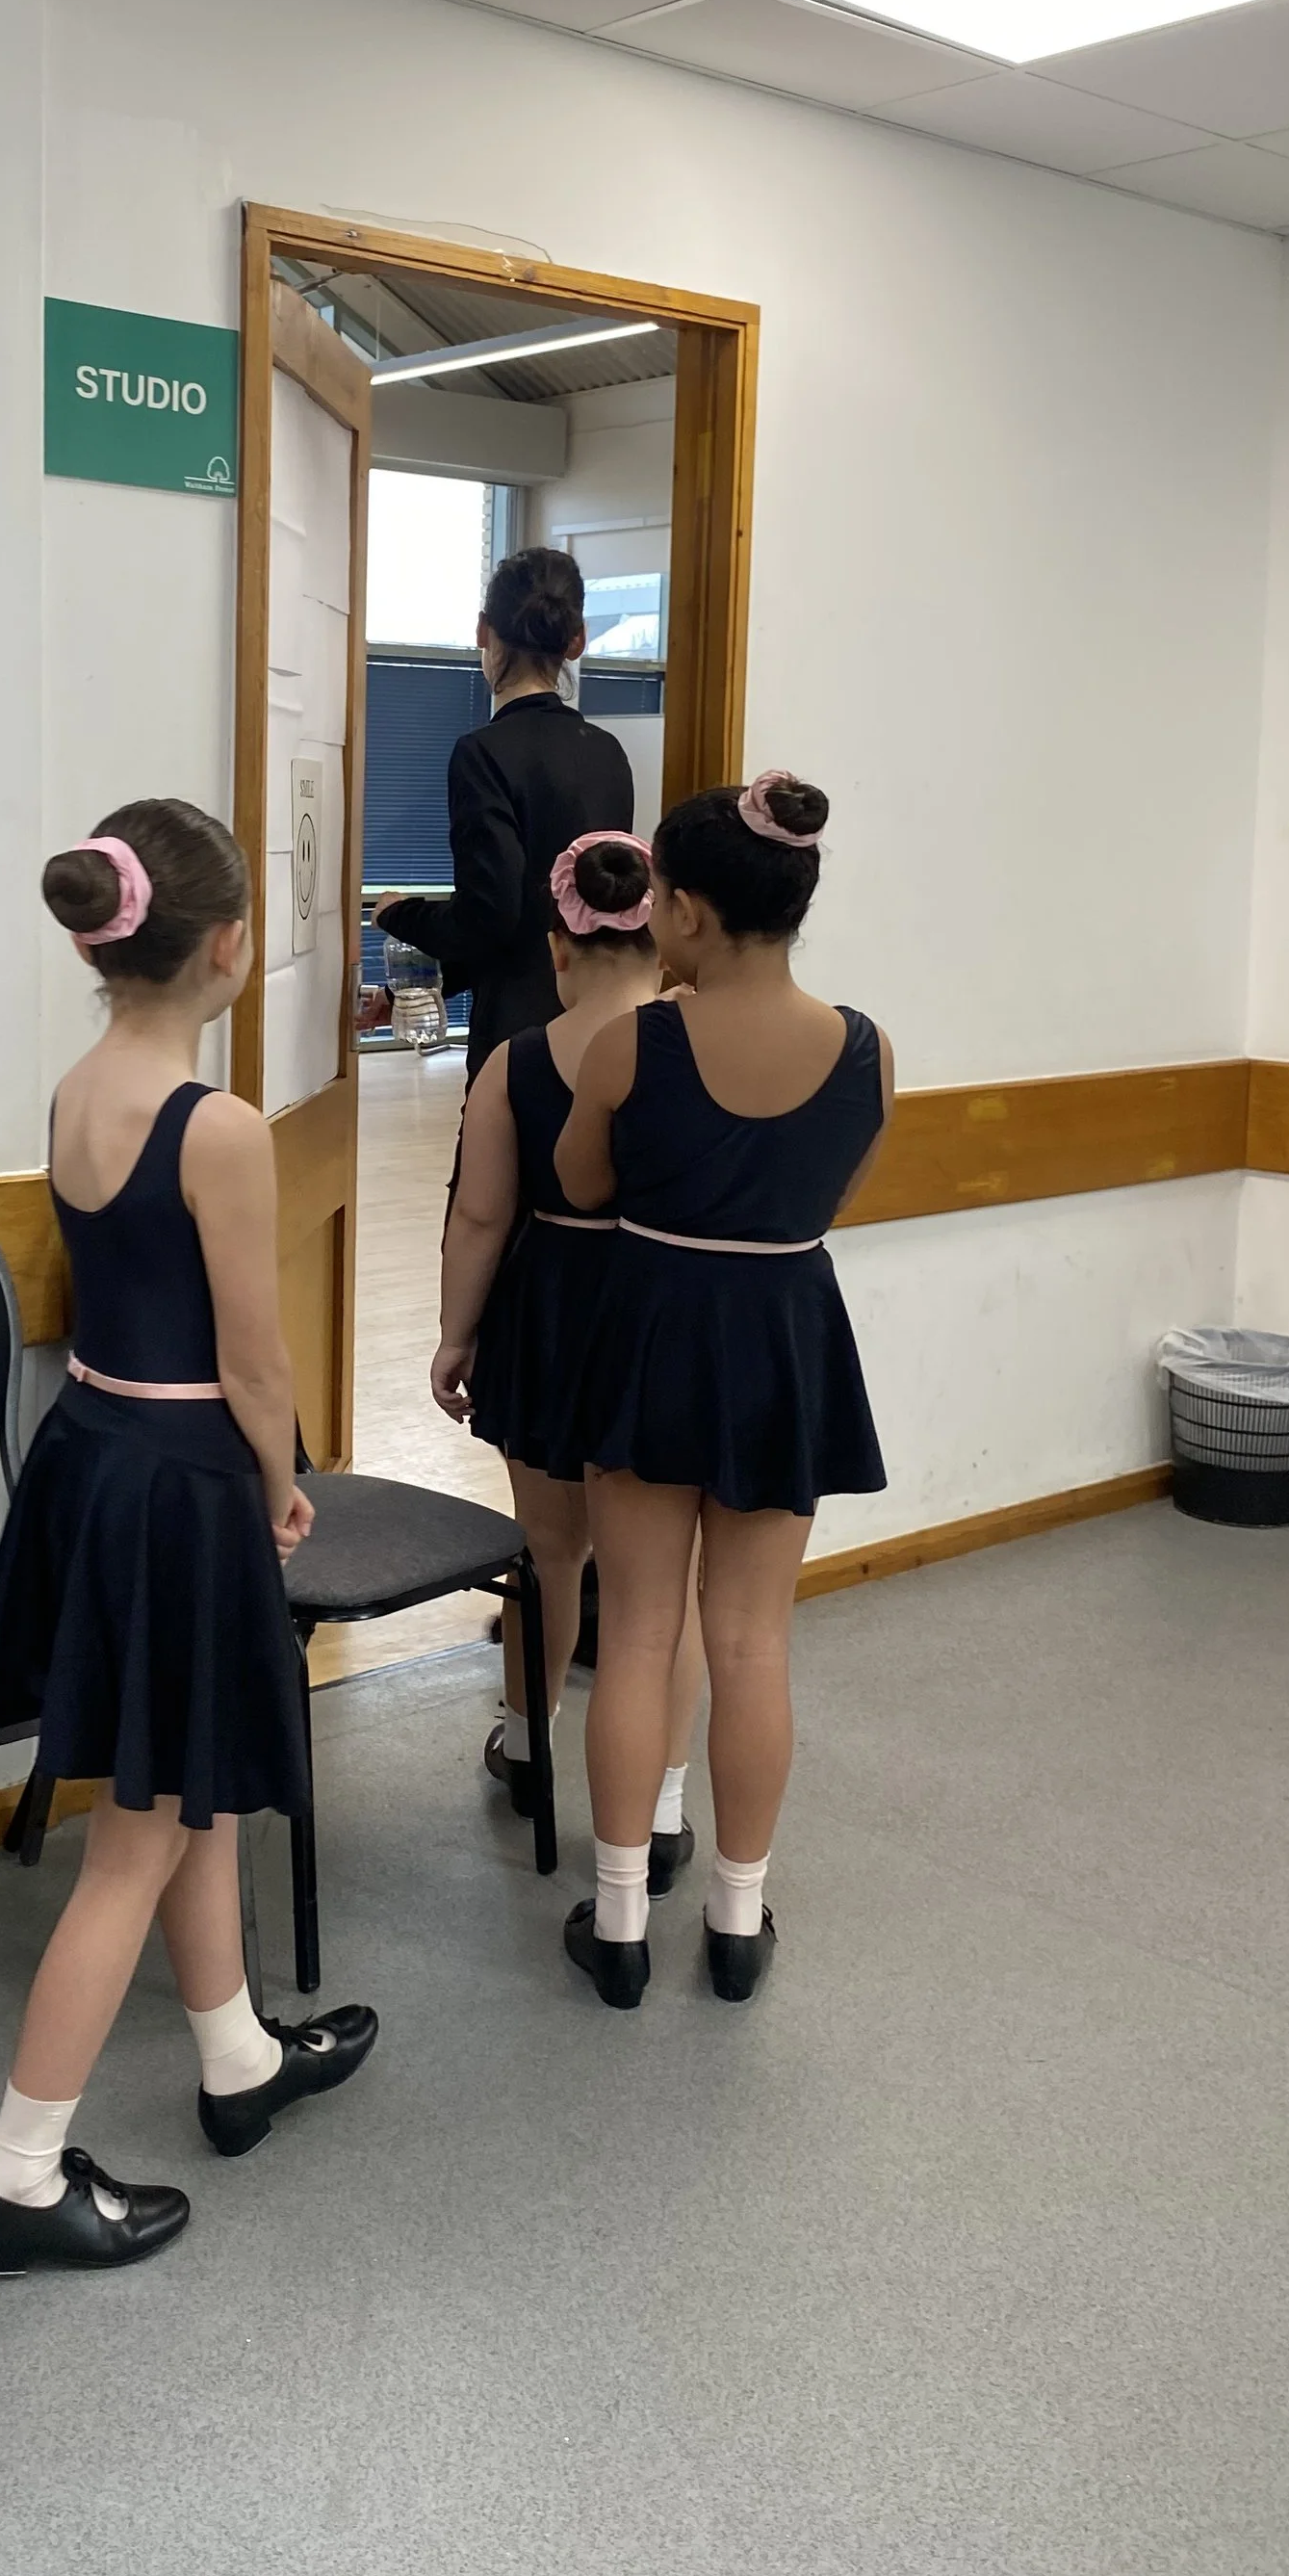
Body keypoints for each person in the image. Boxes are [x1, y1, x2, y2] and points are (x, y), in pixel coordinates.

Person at [0, 799, 377, 2276]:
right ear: (232, 949)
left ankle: (235, 2054)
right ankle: (16, 2171)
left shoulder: (77, 1088)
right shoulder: (220, 1127)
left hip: (97, 1451)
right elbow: (256, 1361)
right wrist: (284, 1476)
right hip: (189, 1467)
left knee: (178, 1775)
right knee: (133, 1842)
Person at [555, 773, 892, 2011]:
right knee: (752, 1641)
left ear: (685, 911)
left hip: (650, 1332)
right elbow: (833, 1191)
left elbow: (583, 1185)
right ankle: (740, 1918)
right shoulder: (864, 1045)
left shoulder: (631, 1043)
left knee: (638, 1633)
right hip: (785, 1337)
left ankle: (620, 1919)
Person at [429, 831, 704, 1885]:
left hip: (547, 1318)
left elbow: (480, 1216)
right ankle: (666, 1802)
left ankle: (528, 1743)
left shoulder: (519, 1061)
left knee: (549, 1556)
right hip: (659, 1320)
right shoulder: (694, 1050)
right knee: (660, 1589)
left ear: (558, 946)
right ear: (666, 932)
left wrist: (457, 1336)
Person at [372, 548, 637, 1077]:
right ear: (577, 639)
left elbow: (491, 917)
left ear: (482, 630)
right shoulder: (608, 753)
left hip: (518, 1040)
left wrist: (397, 912)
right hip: (603, 1027)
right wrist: (416, 984)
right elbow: (528, 919)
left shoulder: (483, 753)